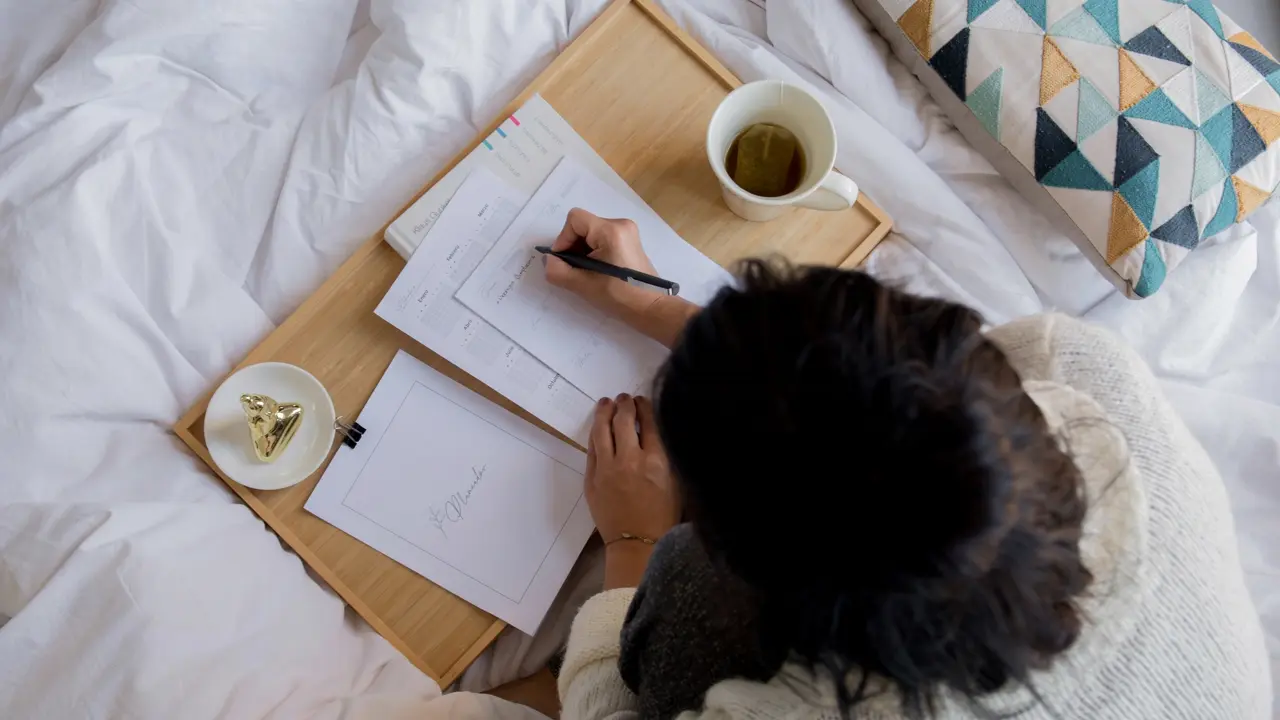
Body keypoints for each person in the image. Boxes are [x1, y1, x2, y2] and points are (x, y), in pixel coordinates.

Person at [542, 208, 1272, 720]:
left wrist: (632, 543)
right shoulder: (1077, 366)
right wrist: (661, 312)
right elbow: (883, 397)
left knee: (675, 592)